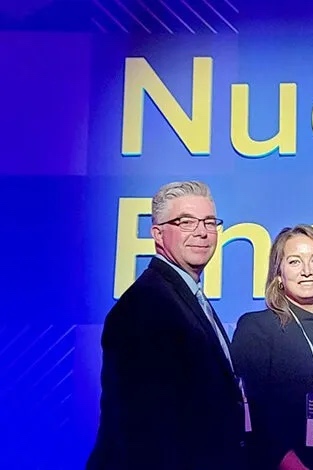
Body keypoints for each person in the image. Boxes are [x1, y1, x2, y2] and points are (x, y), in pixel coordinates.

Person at [86, 181, 248, 470]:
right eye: (186, 222)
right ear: (157, 234)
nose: (202, 232)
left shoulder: (184, 298)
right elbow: (144, 427)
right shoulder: (145, 306)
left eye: (209, 222)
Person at [231, 225, 313, 470]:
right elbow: (254, 412)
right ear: (278, 274)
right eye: (294, 262)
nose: (307, 271)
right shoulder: (257, 327)